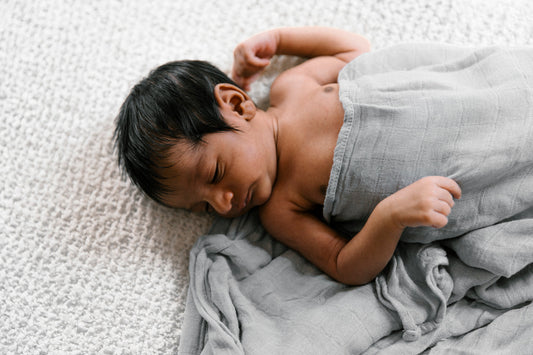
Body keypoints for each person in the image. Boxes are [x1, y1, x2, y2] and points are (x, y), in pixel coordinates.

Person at [114, 27, 462, 285]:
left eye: (216, 173)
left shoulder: (291, 87)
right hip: (450, 174)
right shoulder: (280, 211)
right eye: (204, 207)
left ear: (236, 104)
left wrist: (279, 40)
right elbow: (346, 266)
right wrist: (391, 217)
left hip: (449, 99)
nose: (223, 205)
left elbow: (356, 50)